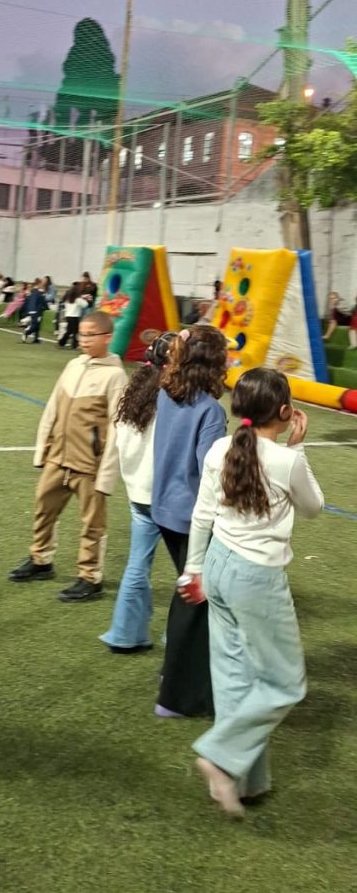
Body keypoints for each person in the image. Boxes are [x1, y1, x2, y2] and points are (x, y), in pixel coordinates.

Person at [181, 368, 324, 817]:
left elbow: (202, 514)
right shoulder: (286, 460)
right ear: (284, 412)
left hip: (217, 564)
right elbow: (314, 507)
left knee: (233, 675)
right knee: (285, 682)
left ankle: (244, 782)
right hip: (256, 577)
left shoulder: (220, 448)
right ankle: (222, 758)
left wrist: (193, 569)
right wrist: (297, 447)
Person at [8, 311, 127, 602]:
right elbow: (53, 408)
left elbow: (117, 428)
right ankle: (41, 560)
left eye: (90, 335)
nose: (83, 339)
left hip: (89, 465)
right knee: (43, 507)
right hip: (58, 457)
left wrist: (106, 474)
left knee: (92, 522)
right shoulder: (73, 365)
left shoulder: (116, 376)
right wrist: (43, 449)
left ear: (107, 338)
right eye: (82, 334)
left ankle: (90, 577)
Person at [150, 325, 229, 718]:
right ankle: (177, 698)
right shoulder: (210, 410)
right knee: (196, 600)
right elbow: (210, 472)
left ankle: (176, 674)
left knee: (189, 592)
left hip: (164, 509)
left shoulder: (168, 392)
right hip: (192, 516)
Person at [99, 332, 177, 652]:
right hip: (169, 497)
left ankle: (125, 634)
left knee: (137, 565)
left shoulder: (134, 394)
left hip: (138, 495)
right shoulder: (174, 400)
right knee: (192, 571)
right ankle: (181, 639)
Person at [58, 283, 88, 349]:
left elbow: (65, 306)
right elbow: (85, 305)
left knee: (69, 331)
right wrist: (84, 299)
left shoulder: (69, 299)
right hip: (75, 316)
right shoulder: (78, 299)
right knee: (75, 332)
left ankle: (62, 342)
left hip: (68, 316)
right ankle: (74, 345)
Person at [21, 278, 49, 343]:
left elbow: (27, 301)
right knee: (35, 324)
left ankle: (36, 338)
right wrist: (47, 308)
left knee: (37, 325)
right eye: (42, 283)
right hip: (36, 311)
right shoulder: (38, 292)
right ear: (39, 283)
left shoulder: (32, 291)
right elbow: (43, 302)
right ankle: (26, 333)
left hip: (32, 310)